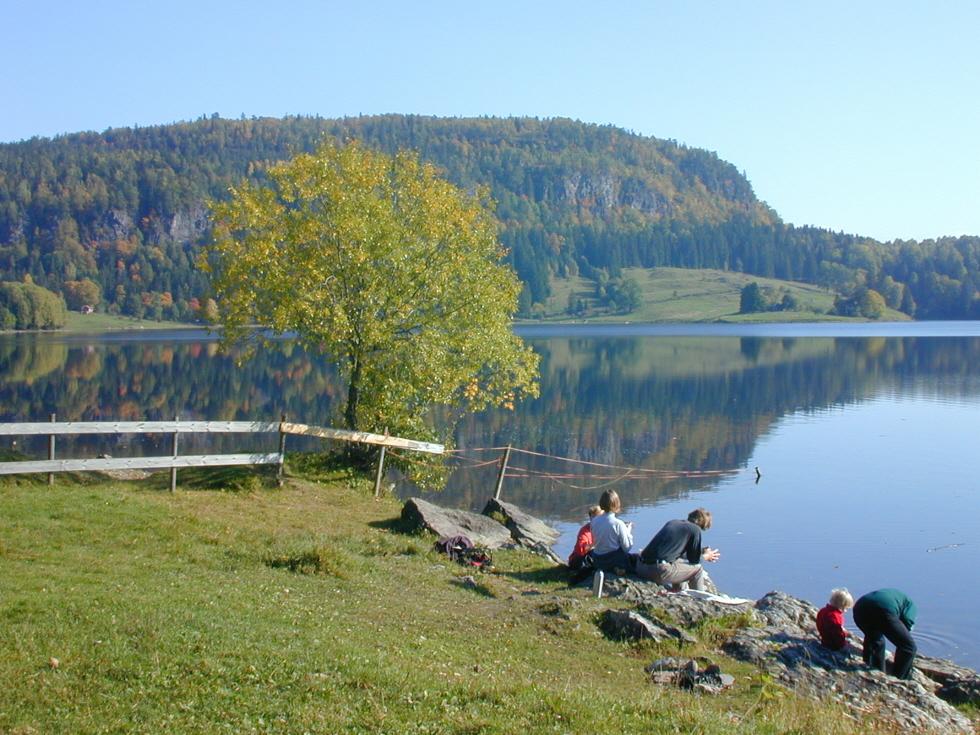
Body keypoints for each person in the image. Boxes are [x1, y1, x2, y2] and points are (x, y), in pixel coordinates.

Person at [636, 508, 720, 591]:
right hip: (656, 571)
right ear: (702, 524)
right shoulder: (695, 529)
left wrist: (701, 551)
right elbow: (695, 560)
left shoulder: (673, 522)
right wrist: (707, 556)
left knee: (680, 562)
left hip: (641, 567)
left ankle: (680, 592)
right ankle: (700, 600)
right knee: (698, 569)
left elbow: (677, 553)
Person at [852, 588, 918, 679]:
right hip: (883, 608)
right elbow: (907, 623)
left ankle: (874, 671)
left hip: (860, 608)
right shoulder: (911, 606)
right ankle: (898, 679)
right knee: (909, 648)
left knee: (875, 639)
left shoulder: (898, 596)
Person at [588, 490, 635, 573]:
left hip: (597, 560)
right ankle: (617, 567)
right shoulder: (618, 524)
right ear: (616, 504)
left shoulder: (594, 521)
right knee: (632, 557)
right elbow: (627, 548)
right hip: (613, 559)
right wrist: (628, 532)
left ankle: (612, 569)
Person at [568, 505, 603, 570]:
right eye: (595, 518)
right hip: (579, 560)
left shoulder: (603, 528)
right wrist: (594, 544)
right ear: (591, 518)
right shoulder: (584, 531)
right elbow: (581, 549)